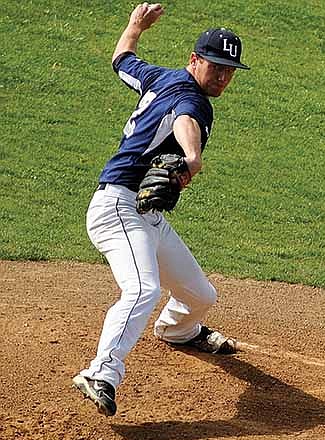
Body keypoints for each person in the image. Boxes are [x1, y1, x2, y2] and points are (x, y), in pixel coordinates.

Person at [72, 3, 250, 417]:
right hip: (118, 206)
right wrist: (192, 157)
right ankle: (102, 373)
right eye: (215, 67)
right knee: (142, 290)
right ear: (194, 61)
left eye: (229, 70)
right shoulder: (194, 100)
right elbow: (185, 118)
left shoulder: (159, 76)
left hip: (147, 214)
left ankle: (178, 330)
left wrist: (134, 25)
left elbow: (122, 60)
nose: (223, 77)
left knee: (200, 295)